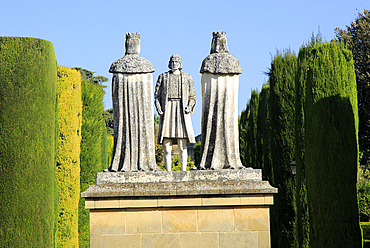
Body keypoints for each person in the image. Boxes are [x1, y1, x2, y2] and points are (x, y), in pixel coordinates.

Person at [154, 54, 196, 171]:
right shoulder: (163, 77)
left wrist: (189, 106)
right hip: (168, 111)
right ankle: (168, 172)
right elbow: (156, 96)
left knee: (182, 145)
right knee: (167, 146)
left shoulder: (187, 77)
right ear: (169, 63)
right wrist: (159, 108)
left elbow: (192, 96)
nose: (174, 64)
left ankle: (183, 171)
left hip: (182, 112)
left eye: (177, 61)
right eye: (172, 61)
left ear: (180, 63)